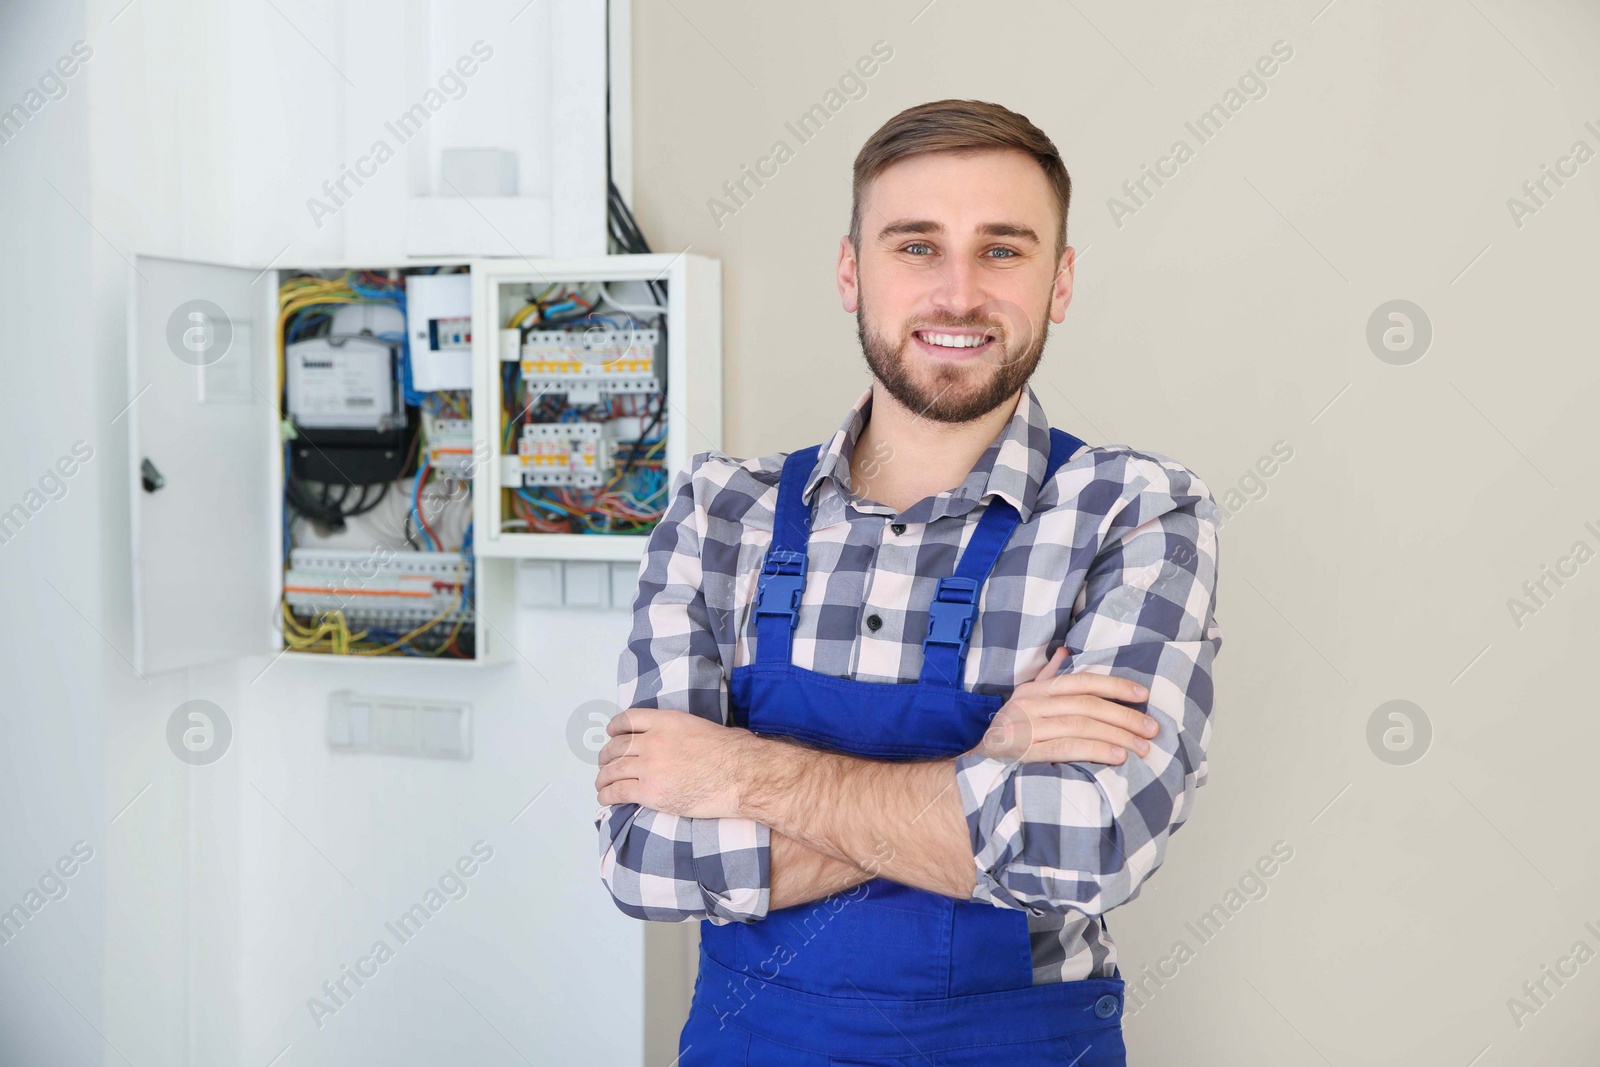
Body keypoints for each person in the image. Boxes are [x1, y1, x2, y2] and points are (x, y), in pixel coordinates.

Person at [594, 98, 1222, 1066]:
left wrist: (743, 775)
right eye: (916, 246)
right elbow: (650, 860)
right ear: (851, 271)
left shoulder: (1134, 510)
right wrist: (989, 762)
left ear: (1059, 282)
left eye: (1003, 250)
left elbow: (1084, 847)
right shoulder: (721, 510)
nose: (959, 294)